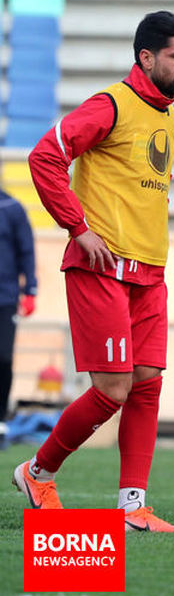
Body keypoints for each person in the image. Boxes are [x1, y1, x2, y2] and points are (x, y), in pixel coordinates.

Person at [14, 11, 174, 532]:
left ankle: (133, 506)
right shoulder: (110, 104)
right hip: (102, 267)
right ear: (146, 57)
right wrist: (77, 227)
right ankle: (37, 471)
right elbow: (46, 156)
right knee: (112, 390)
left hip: (150, 272)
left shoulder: (171, 119)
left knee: (146, 385)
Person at [0, 190, 37, 446]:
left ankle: (0, 420)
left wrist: (30, 289)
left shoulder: (11, 207)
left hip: (5, 297)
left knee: (2, 357)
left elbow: (26, 250)